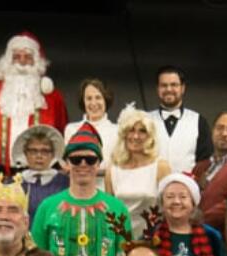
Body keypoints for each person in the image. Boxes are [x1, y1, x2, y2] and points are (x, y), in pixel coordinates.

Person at [31, 123, 131, 256]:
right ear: (67, 164)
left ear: (98, 164)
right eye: (76, 159)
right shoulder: (47, 207)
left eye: (90, 159)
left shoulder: (117, 209)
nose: (83, 164)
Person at [0, 32, 68, 173]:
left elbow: (61, 133)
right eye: (16, 57)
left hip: (40, 172)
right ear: (8, 61)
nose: (22, 61)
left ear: (37, 61)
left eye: (28, 57)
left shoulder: (52, 97)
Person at [104, 106, 171, 238]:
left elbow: (167, 209)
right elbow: (109, 213)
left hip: (153, 240)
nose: (135, 136)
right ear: (124, 134)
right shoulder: (112, 170)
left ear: (150, 136)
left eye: (142, 131)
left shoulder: (161, 167)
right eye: (131, 130)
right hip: (121, 240)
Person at [146, 66, 212, 175]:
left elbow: (205, 162)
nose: (168, 89)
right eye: (164, 85)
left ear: (183, 88)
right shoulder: (144, 121)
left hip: (187, 189)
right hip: (151, 188)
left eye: (174, 85)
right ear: (157, 89)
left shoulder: (199, 121)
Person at [62, 77, 118, 176]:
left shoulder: (117, 130)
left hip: (107, 188)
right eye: (89, 98)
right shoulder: (71, 129)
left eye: (98, 97)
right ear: (83, 101)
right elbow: (67, 165)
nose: (93, 103)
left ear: (106, 99)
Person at [11, 124, 68, 218]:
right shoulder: (14, 183)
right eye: (33, 151)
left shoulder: (65, 183)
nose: (39, 156)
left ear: (53, 154)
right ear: (25, 153)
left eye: (45, 151)